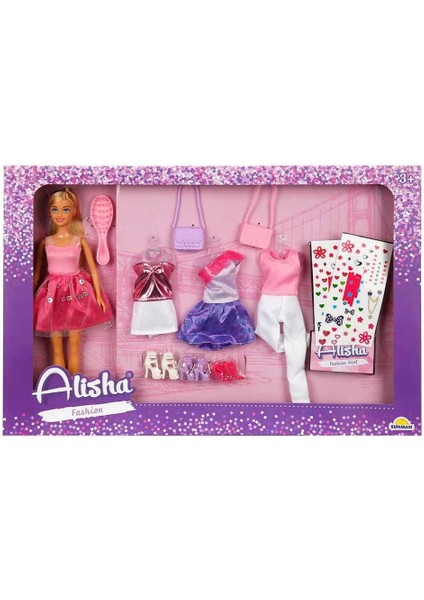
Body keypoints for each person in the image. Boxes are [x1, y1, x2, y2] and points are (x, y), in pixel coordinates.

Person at [33, 187, 113, 374]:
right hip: (51, 295)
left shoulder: (79, 241)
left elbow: (93, 271)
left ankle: (74, 384)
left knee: (75, 346)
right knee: (56, 347)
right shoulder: (46, 242)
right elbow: (37, 273)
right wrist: (29, 294)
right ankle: (61, 385)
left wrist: (98, 296)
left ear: (74, 211)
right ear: (49, 212)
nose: (60, 214)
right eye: (55, 209)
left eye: (65, 209)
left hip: (76, 294)